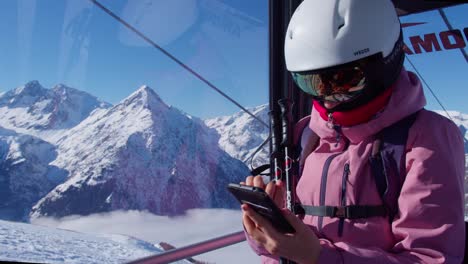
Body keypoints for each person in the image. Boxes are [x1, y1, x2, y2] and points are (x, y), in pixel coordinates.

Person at [241, 0, 466, 263]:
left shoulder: (426, 137)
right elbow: (284, 250)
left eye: (345, 81)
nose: (326, 99)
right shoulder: (305, 134)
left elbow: (431, 258)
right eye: (311, 82)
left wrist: (317, 257)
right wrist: (268, 231)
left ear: (386, 64)